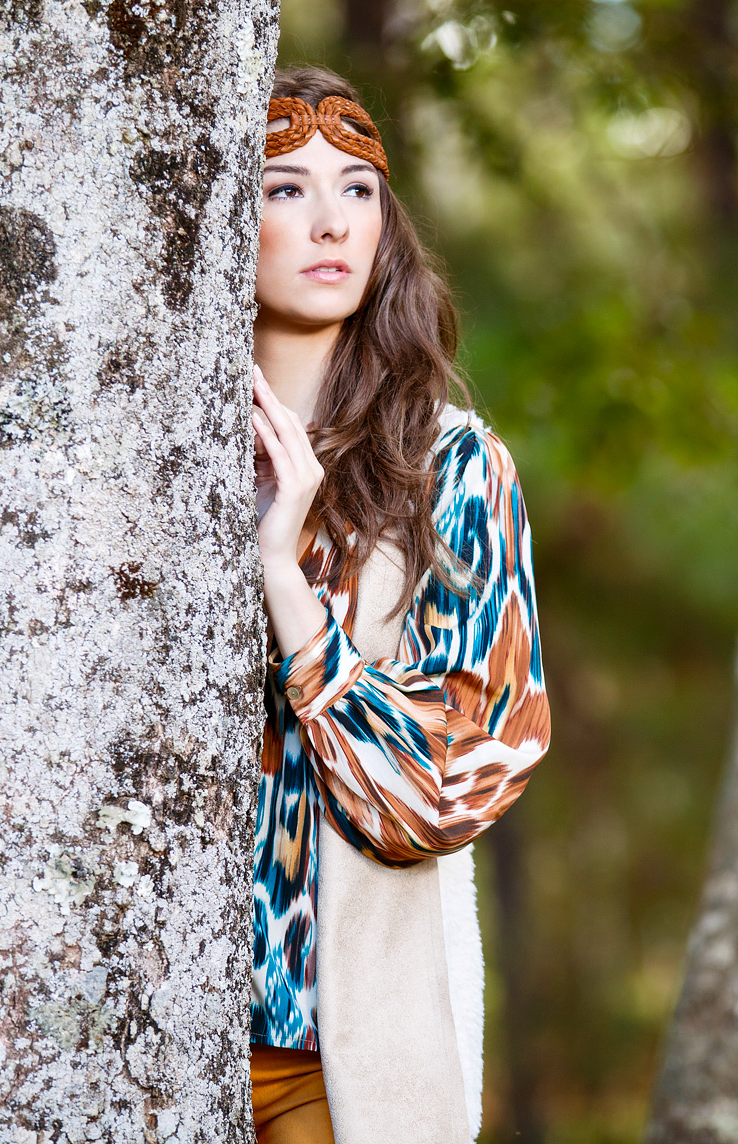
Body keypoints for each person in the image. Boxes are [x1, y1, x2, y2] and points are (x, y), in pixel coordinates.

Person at [246, 66, 550, 1144]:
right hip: (119, 1036)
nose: (330, 221)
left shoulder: (451, 469)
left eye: (358, 189)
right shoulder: (133, 455)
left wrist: (288, 584)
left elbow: (458, 779)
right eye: (285, 188)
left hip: (341, 1062)